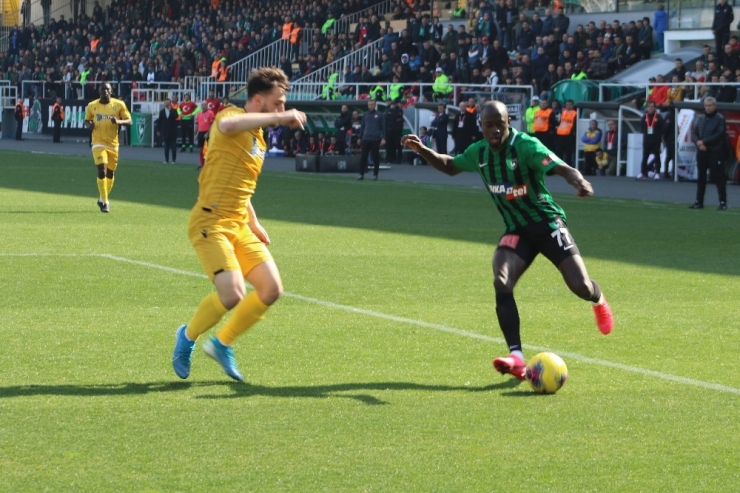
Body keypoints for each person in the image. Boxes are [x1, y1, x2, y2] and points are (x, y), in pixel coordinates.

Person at [401, 100, 613, 380]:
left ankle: (598, 299)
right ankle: (517, 358)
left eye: (500, 124)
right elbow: (451, 165)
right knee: (501, 281)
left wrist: (579, 181)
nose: (495, 130)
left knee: (580, 286)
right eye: (489, 125)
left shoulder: (526, 146)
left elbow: (561, 167)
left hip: (548, 224)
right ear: (482, 126)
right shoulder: (479, 153)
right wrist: (423, 150)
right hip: (517, 230)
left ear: (508, 122)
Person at [172, 67, 307, 382]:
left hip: (238, 224)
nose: (281, 108)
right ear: (258, 101)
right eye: (277, 102)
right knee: (232, 294)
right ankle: (187, 336)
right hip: (210, 221)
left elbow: (238, 183)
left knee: (271, 289)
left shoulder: (258, 137)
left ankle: (222, 343)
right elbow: (232, 124)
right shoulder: (229, 117)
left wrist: (254, 222)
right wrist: (279, 117)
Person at [84, 83, 132, 213]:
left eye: (107, 89)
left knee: (110, 173)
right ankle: (105, 202)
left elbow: (129, 121)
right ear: (99, 92)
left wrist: (118, 122)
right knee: (102, 170)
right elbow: (87, 120)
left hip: (113, 144)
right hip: (98, 142)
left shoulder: (119, 105)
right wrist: (89, 126)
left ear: (111, 91)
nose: (105, 92)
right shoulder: (92, 106)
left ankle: (101, 197)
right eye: (102, 89)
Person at [690, 97, 728, 210]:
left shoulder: (720, 119)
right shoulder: (701, 118)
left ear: (714, 106)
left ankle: (722, 202)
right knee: (701, 177)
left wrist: (704, 142)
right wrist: (698, 142)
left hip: (714, 151)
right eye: (706, 105)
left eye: (710, 105)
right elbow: (694, 133)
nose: (708, 107)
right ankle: (698, 201)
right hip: (701, 151)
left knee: (718, 177)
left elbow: (719, 134)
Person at [358, 99, 386, 181]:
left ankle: (375, 174)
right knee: (363, 157)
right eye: (369, 104)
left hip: (375, 138)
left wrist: (383, 138)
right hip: (366, 138)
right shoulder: (365, 115)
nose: (371, 106)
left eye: (372, 104)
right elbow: (362, 127)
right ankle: (361, 174)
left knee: (375, 157)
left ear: (375, 105)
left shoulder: (380, 115)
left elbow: (383, 127)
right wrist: (360, 137)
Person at [638, 101, 664, 180]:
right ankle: (643, 173)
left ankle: (657, 173)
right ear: (647, 108)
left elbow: (662, 128)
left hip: (656, 140)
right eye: (649, 106)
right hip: (647, 140)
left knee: (657, 157)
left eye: (652, 106)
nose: (650, 108)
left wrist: (660, 137)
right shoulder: (644, 117)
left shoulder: (659, 117)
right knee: (645, 157)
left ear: (655, 108)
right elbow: (642, 128)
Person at [157, 98, 179, 164]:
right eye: (165, 102)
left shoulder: (174, 110)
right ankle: (166, 159)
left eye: (168, 102)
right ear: (164, 103)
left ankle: (173, 160)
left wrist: (170, 111)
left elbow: (176, 116)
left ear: (170, 103)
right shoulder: (162, 112)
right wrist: (158, 130)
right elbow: (159, 121)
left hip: (173, 131)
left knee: (173, 147)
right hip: (165, 131)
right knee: (166, 147)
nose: (167, 104)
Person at [555, 99, 577, 166]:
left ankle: (568, 165)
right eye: (567, 104)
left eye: (570, 105)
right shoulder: (563, 112)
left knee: (568, 151)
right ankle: (560, 164)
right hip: (560, 133)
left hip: (569, 133)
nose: (568, 106)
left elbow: (575, 123)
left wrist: (574, 131)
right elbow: (560, 121)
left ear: (572, 105)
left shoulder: (575, 113)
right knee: (559, 150)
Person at [384, 99, 404, 164]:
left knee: (398, 145)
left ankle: (399, 159)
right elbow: (386, 117)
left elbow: (396, 117)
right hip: (389, 129)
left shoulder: (399, 110)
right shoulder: (387, 109)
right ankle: (389, 158)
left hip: (397, 130)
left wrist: (392, 114)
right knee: (389, 145)